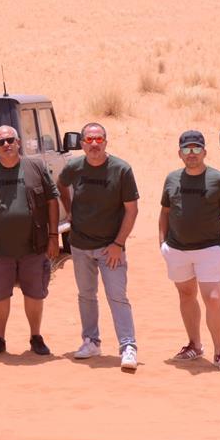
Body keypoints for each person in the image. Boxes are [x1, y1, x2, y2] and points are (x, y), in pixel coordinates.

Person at [0, 126, 60, 357]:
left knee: (35, 294)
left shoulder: (36, 168)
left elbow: (52, 201)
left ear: (18, 142)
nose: (6, 145)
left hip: (34, 247)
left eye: (10, 140)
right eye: (1, 142)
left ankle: (36, 336)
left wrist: (53, 236)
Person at [57, 122, 140, 371]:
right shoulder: (74, 167)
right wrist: (70, 211)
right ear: (82, 144)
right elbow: (61, 185)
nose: (94, 144)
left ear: (106, 142)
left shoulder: (121, 169)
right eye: (89, 140)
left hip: (110, 248)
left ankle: (128, 347)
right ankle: (91, 341)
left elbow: (132, 210)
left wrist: (118, 244)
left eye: (99, 139)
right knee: (86, 295)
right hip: (80, 245)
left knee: (117, 296)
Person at [159, 130, 220, 371]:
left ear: (204, 151)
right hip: (177, 249)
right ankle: (194, 345)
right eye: (187, 149)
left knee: (213, 299)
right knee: (186, 294)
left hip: (209, 250)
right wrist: (162, 244)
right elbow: (164, 212)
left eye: (196, 149)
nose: (191, 154)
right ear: (180, 153)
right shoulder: (172, 179)